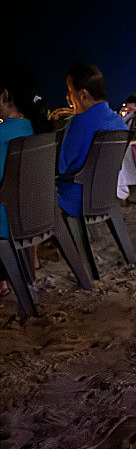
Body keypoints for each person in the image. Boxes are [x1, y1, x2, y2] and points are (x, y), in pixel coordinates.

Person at [0, 65, 50, 295]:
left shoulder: (3, 134)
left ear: (5, 95)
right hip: (35, 214)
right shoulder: (36, 129)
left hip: (7, 221)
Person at [56, 62, 126, 219]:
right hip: (106, 195)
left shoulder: (77, 123)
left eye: (70, 90)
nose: (68, 96)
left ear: (83, 94)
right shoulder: (118, 122)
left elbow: (63, 167)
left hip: (76, 200)